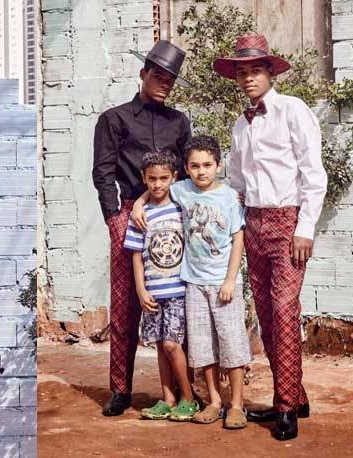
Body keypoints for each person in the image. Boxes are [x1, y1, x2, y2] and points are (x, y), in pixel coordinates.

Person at [213, 32, 327, 440]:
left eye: (255, 71)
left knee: (283, 312)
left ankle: (285, 411)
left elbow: (314, 175)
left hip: (288, 224)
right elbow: (238, 183)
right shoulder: (239, 127)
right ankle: (294, 395)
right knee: (265, 316)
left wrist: (306, 228)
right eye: (241, 72)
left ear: (270, 73)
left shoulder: (293, 111)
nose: (247, 79)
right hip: (253, 225)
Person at [92, 39, 192, 416]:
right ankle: (120, 389)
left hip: (171, 220)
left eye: (170, 79)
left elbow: (184, 172)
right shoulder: (114, 119)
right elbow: (102, 173)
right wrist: (114, 218)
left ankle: (187, 388)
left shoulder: (179, 121)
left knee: (181, 300)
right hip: (130, 220)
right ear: (143, 74)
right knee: (125, 305)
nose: (164, 83)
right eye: (158, 75)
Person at [133, 135, 251, 430]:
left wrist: (230, 280)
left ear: (218, 165)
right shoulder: (182, 190)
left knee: (231, 342)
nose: (202, 171)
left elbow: (238, 239)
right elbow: (156, 186)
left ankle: (236, 405)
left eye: (208, 165)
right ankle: (213, 401)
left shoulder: (228, 196)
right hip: (193, 283)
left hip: (223, 283)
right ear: (186, 168)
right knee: (202, 347)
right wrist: (138, 203)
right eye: (195, 166)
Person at [124, 149, 198, 421]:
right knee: (158, 344)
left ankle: (188, 398)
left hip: (178, 291)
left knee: (171, 344)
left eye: (163, 178)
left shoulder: (181, 209)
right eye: (152, 179)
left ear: (174, 178)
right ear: (144, 178)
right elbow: (136, 255)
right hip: (153, 293)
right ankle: (167, 398)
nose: (157, 184)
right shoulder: (140, 216)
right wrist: (141, 290)